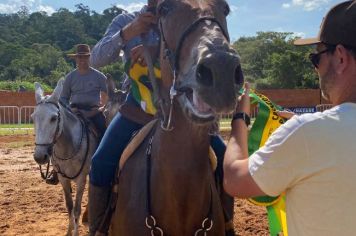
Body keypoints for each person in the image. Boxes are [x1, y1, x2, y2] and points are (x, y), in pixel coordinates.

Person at [88, 1, 232, 235]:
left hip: (182, 111)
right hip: (138, 110)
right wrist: (129, 32)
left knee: (224, 159)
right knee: (101, 161)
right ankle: (98, 228)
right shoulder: (125, 20)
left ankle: (227, 224)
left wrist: (154, 52)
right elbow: (96, 58)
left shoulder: (187, 13)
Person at [223, 1, 356, 235]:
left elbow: (235, 179)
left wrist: (240, 117)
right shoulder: (311, 134)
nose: (316, 68)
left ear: (341, 58)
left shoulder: (306, 133)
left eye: (317, 58)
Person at [45, 44, 107, 186]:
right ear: (76, 59)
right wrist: (70, 111)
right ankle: (56, 169)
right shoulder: (70, 77)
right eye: (79, 58)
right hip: (74, 112)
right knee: (59, 134)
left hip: (93, 111)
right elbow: (63, 98)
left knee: (104, 132)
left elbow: (109, 94)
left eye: (85, 58)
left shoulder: (98, 76)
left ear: (89, 58)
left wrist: (101, 109)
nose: (82, 60)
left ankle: (103, 161)